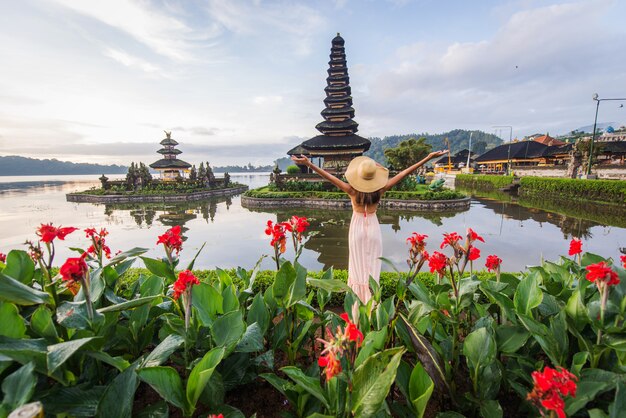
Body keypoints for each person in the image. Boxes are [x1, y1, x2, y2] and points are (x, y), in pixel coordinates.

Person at [291, 150, 448, 303]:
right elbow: (402, 174)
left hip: (357, 230)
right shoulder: (380, 190)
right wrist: (427, 157)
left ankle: (358, 307)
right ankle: (372, 305)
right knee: (372, 268)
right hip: (373, 229)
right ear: (374, 178)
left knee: (357, 269)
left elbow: (328, 176)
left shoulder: (351, 191)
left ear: (358, 177)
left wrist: (309, 164)